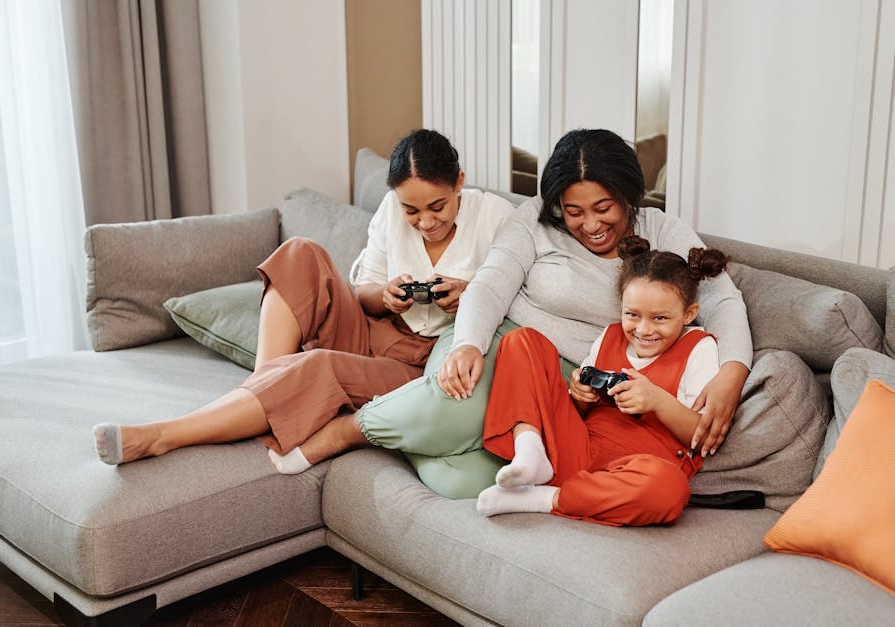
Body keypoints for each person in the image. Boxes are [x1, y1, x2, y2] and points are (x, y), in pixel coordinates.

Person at [276, 128, 752, 499]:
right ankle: (343, 433)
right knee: (447, 410)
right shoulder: (534, 222)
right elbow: (491, 283)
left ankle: (407, 432)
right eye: (572, 211)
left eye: (603, 208)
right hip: (501, 339)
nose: (590, 225)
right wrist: (467, 344)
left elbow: (721, 300)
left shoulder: (664, 231)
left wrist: (731, 374)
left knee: (463, 483)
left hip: (564, 380)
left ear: (629, 194)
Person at [92, 128, 515, 467]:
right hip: (373, 329)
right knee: (300, 252)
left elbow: (515, 298)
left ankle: (162, 436)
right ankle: (262, 388)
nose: (425, 221)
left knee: (317, 365)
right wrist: (385, 297)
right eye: (411, 210)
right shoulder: (390, 208)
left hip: (416, 365)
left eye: (437, 207)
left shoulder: (496, 218)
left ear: (459, 182)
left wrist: (469, 294)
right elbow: (362, 291)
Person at [475, 236, 727, 525]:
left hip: (635, 471)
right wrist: (580, 397)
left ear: (689, 314)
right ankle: (529, 452)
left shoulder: (698, 346)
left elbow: (702, 435)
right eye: (632, 314)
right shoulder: (610, 335)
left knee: (669, 489)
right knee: (521, 341)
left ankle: (543, 498)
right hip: (577, 449)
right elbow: (577, 410)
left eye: (659, 318)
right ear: (621, 305)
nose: (643, 330)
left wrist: (656, 400)